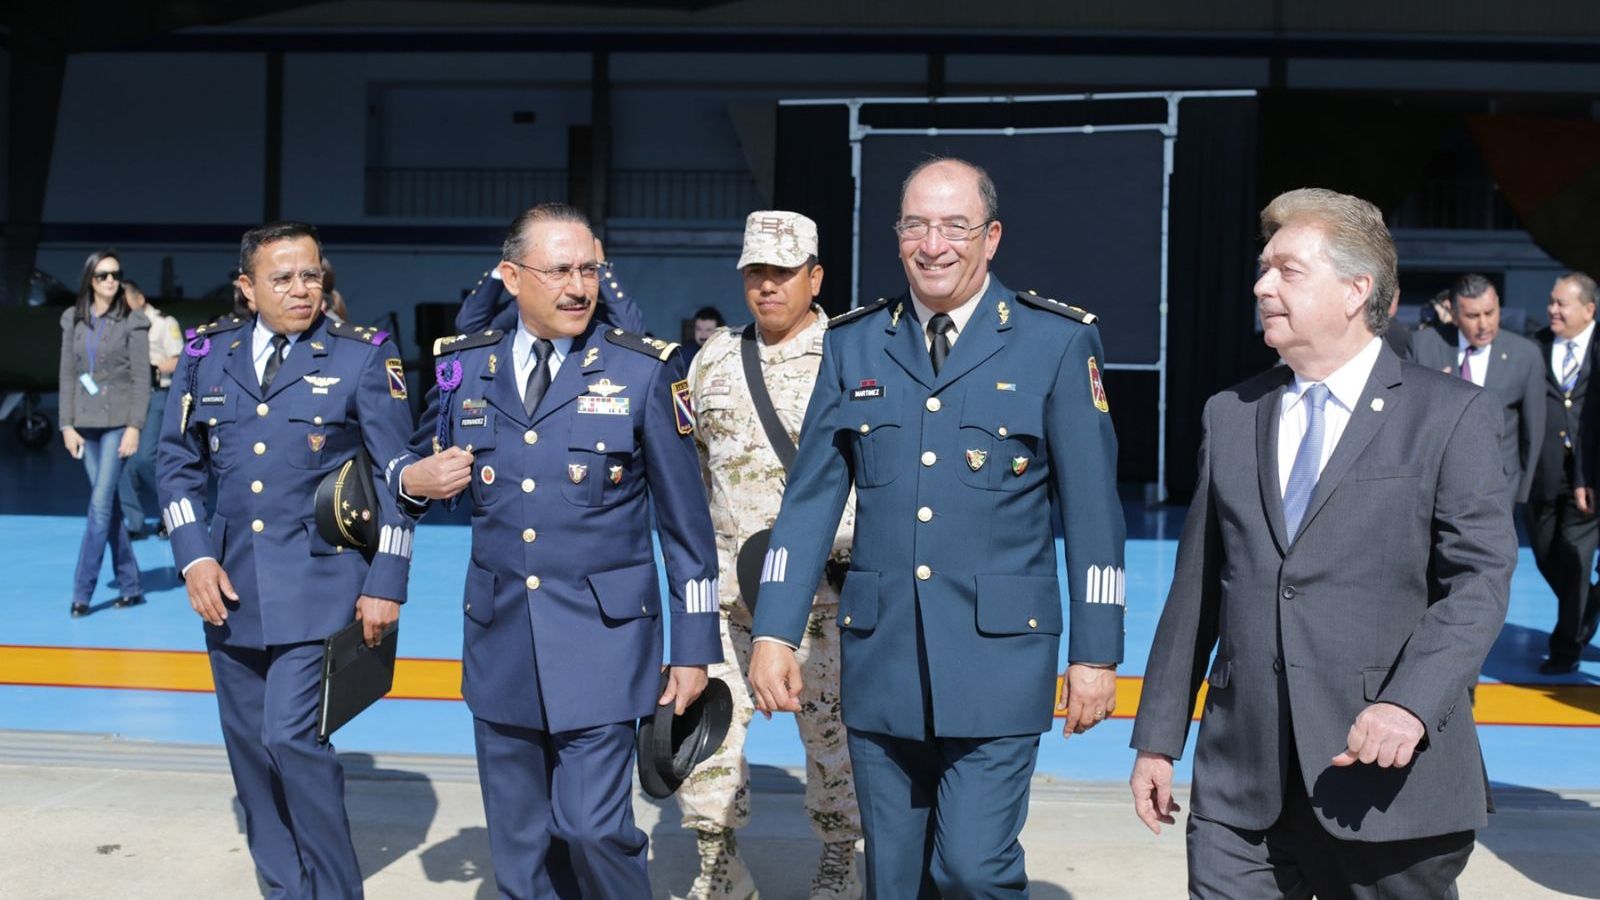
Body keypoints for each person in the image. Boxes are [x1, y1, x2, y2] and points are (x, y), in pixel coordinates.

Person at [747, 158, 1125, 897]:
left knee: (972, 869)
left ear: (991, 237)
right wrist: (773, 632)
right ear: (897, 238)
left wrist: (1097, 653)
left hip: (999, 661)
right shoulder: (856, 344)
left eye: (955, 226)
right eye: (916, 224)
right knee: (894, 878)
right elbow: (811, 502)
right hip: (882, 657)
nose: (934, 243)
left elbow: (1093, 514)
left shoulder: (1055, 343)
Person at [1130, 188, 1514, 899]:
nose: (1261, 285)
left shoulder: (1451, 415)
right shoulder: (1231, 414)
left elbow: (1481, 579)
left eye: (1287, 270)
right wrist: (1158, 736)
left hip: (1382, 784)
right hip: (1241, 784)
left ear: (1354, 290)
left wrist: (1409, 702)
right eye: (1263, 268)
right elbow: (1197, 590)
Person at [392, 202, 720, 898]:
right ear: (510, 277)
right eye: (560, 270)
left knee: (593, 827)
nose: (579, 286)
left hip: (603, 642)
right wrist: (413, 482)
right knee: (518, 849)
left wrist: (693, 650)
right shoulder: (462, 369)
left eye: (589, 269)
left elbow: (688, 530)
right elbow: (415, 474)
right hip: (501, 636)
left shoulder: (643, 372)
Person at [156, 221, 416, 898]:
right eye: (284, 277)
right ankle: (284, 889)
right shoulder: (205, 356)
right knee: (251, 760)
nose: (303, 289)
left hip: (323, 588)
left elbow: (398, 480)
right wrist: (193, 559)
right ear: (247, 288)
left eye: (312, 275)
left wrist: (387, 580)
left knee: (292, 742)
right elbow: (176, 464)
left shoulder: (362, 357)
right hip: (231, 591)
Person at [678, 211, 861, 900]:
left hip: (824, 600)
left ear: (815, 276)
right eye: (755, 272)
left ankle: (841, 857)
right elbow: (694, 475)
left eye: (783, 272)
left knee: (833, 744)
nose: (767, 285)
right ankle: (718, 865)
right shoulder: (715, 358)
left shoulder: (853, 355)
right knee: (707, 740)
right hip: (731, 599)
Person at [58, 249, 150, 616]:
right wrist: (66, 424)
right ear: (89, 280)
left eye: (116, 274)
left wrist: (134, 427)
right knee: (108, 508)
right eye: (103, 275)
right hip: (84, 423)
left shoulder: (133, 320)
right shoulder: (73, 319)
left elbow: (142, 378)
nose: (111, 281)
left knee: (98, 506)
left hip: (117, 424)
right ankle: (131, 584)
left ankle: (82, 592)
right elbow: (67, 373)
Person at [1529, 272, 1600, 674]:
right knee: (1544, 555)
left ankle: (1565, 647)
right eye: (1551, 302)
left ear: (1588, 310)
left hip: (1588, 476)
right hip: (1544, 471)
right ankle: (1589, 604)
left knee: (1575, 555)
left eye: (1562, 304)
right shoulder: (1535, 347)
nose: (1552, 310)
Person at [1427, 274, 1545, 504]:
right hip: (1436, 483)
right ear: (1453, 313)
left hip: (1499, 486)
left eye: (1490, 313)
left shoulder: (1525, 355)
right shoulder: (1425, 346)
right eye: (1472, 316)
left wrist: (1522, 490)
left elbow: (1533, 430)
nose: (1484, 325)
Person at [454, 236, 644, 335]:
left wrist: (601, 267)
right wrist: (501, 271)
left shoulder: (589, 310)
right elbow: (470, 328)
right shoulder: (523, 309)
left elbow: (632, 331)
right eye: (557, 270)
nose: (575, 286)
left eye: (586, 268)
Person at [117, 280, 184, 538]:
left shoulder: (164, 323)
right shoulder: (118, 325)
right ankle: (134, 522)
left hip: (156, 394)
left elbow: (180, 359)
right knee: (121, 460)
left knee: (146, 457)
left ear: (140, 298)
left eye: (125, 301)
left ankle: (174, 511)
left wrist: (153, 370)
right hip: (127, 396)